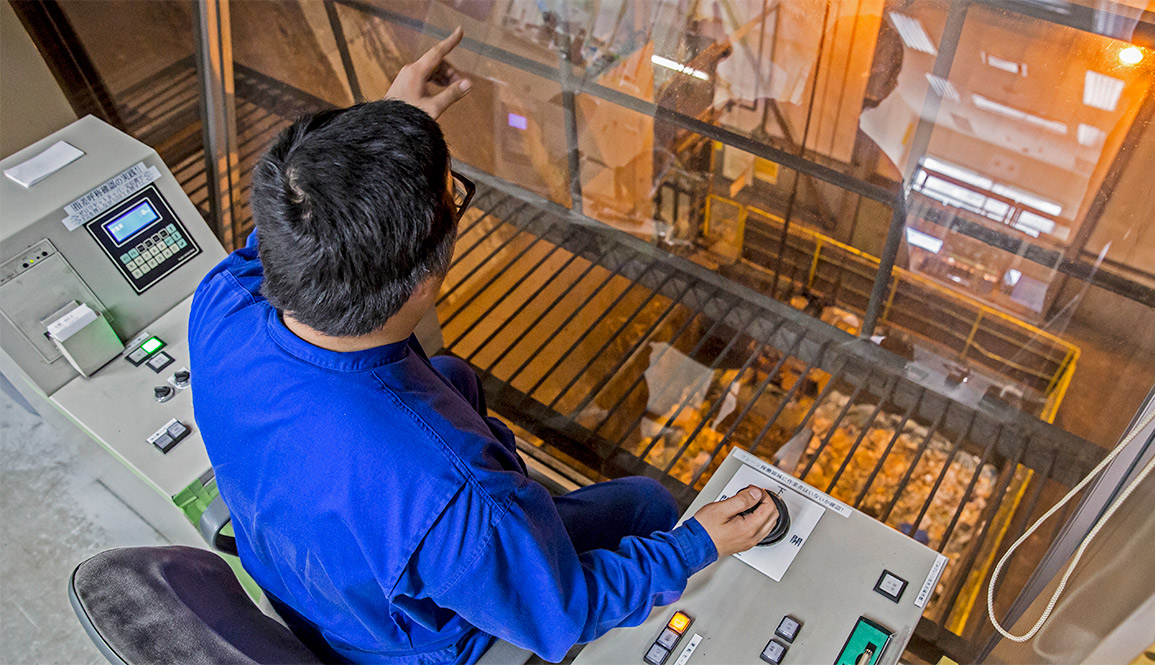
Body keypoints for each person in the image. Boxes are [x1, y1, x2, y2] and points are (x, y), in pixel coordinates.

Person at [188, 27, 778, 665]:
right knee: (649, 503)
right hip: (400, 638)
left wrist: (394, 125)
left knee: (450, 376)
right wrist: (698, 545)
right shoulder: (450, 494)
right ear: (423, 281)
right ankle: (524, 557)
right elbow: (566, 609)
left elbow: (303, 223)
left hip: (311, 579)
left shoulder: (224, 299)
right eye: (453, 194)